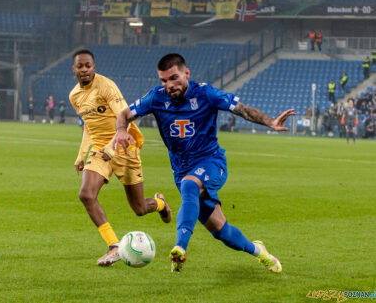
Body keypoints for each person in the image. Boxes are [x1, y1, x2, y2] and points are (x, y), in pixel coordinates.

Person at [112, 53, 295, 273]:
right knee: (223, 233)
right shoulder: (156, 98)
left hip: (211, 161)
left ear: (186, 73)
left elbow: (243, 110)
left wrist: (271, 122)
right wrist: (121, 131)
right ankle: (259, 251)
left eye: (174, 78)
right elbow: (123, 114)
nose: (169, 85)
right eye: (164, 80)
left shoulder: (206, 93)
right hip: (182, 171)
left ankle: (180, 247)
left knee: (190, 185)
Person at [69, 49, 171, 267]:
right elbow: (89, 126)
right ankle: (114, 246)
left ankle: (161, 204)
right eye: (80, 66)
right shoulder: (74, 96)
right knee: (86, 195)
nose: (85, 70)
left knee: (140, 208)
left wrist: (113, 148)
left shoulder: (106, 86)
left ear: (94, 67)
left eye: (88, 65)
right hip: (100, 148)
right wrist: (81, 155)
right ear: (74, 69)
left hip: (125, 147)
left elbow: (125, 117)